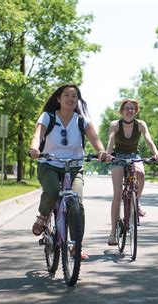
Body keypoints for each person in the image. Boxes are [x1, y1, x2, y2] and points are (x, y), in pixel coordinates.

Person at [28, 83, 107, 260]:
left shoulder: (81, 120)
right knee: (53, 192)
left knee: (76, 203)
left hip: (74, 166)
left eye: (74, 96)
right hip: (49, 163)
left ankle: (76, 246)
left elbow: (95, 138)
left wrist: (102, 152)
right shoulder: (48, 116)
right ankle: (42, 217)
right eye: (67, 95)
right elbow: (38, 135)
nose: (71, 99)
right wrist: (34, 148)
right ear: (59, 99)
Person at [105, 98, 158, 246]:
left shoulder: (140, 124)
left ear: (135, 111)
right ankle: (112, 234)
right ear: (122, 110)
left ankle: (137, 201)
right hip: (118, 157)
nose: (129, 111)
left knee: (141, 175)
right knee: (117, 194)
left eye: (132, 109)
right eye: (127, 108)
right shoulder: (115, 124)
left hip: (134, 156)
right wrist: (108, 155)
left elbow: (149, 140)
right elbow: (111, 141)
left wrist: (155, 153)